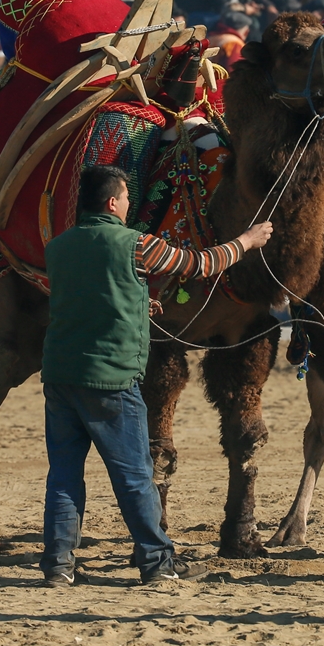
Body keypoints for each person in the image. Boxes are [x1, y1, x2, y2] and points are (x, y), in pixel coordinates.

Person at [40, 165, 273, 587]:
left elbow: (88, 296)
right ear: (112, 203)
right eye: (127, 197)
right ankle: (156, 562)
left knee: (63, 476)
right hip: (111, 378)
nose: (130, 204)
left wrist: (135, 306)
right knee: (135, 475)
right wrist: (247, 240)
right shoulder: (136, 245)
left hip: (60, 376)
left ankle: (58, 566)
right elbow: (198, 264)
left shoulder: (57, 247)